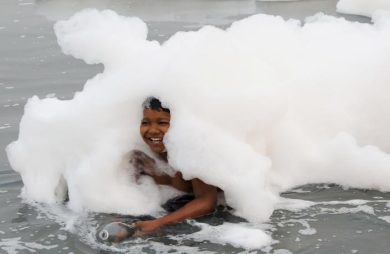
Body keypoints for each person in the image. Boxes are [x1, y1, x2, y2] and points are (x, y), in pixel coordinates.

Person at [130, 97, 218, 235]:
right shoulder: (141, 156)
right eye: (145, 123)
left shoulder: (192, 153)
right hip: (167, 207)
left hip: (212, 221)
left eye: (162, 122)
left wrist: (159, 223)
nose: (152, 130)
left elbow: (207, 201)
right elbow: (124, 191)